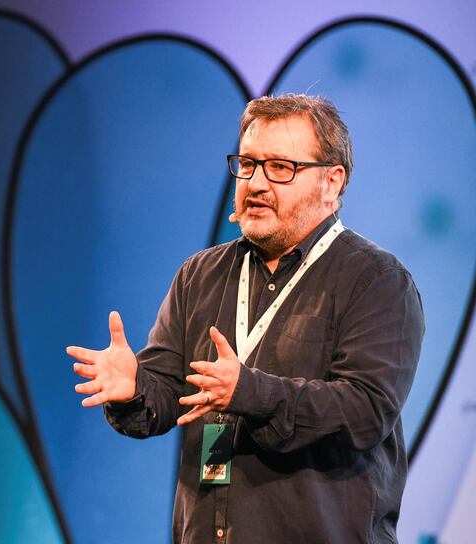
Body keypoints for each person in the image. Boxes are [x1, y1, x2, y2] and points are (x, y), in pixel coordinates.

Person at [66, 93, 424, 543]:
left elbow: (365, 411)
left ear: (331, 183)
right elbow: (162, 401)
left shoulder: (376, 281)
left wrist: (248, 392)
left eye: (280, 167)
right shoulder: (199, 275)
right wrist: (135, 387)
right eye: (248, 164)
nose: (255, 184)